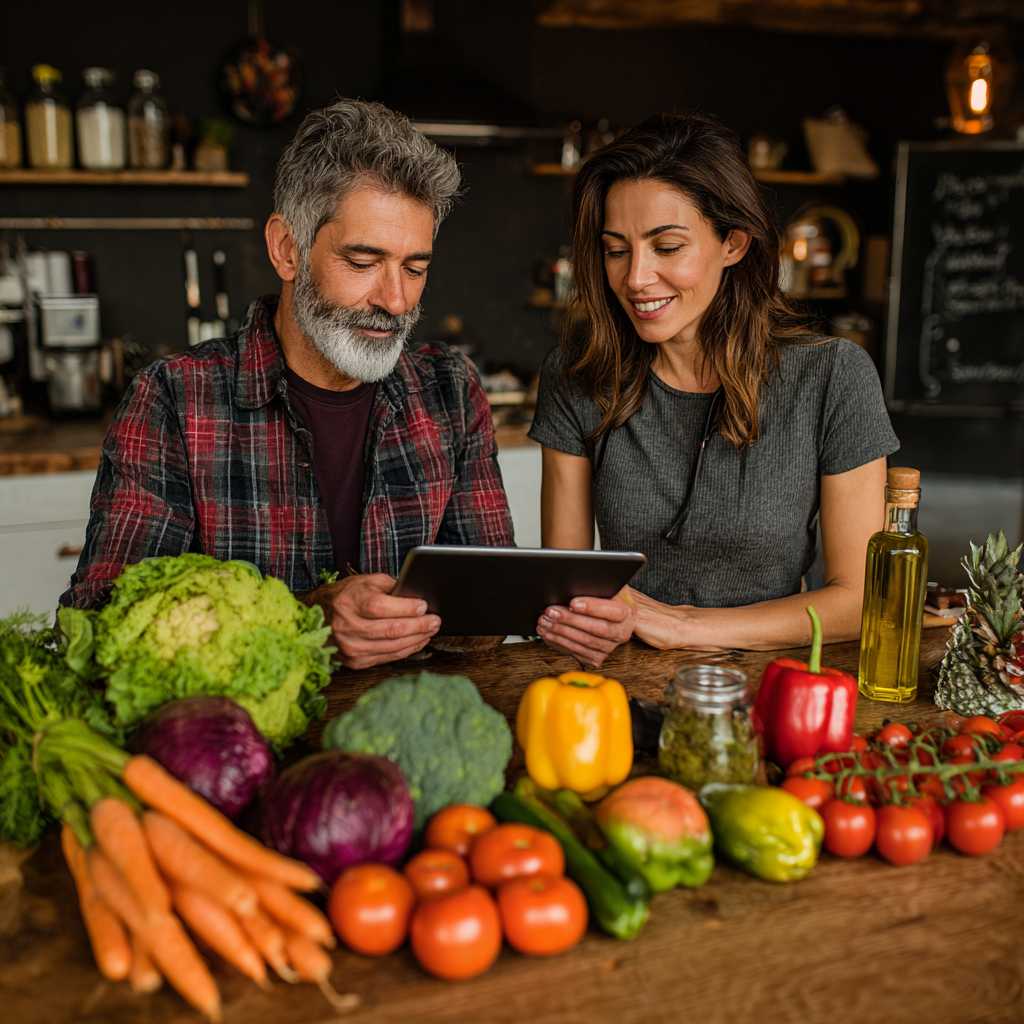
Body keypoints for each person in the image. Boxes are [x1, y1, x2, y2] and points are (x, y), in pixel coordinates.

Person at [61, 99, 514, 668]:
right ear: (287, 249)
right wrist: (306, 621)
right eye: (362, 261)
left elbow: (493, 606)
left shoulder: (452, 391)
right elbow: (98, 621)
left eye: (416, 268)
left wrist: (498, 612)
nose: (395, 301)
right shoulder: (173, 399)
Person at [528, 112, 898, 666]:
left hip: (776, 681)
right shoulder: (577, 374)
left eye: (668, 246)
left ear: (734, 242)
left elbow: (861, 603)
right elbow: (567, 587)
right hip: (621, 685)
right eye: (616, 248)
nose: (635, 278)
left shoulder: (834, 377)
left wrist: (682, 626)